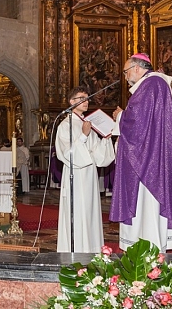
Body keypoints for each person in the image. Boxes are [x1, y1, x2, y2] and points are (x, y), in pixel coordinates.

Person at [110, 53, 172, 253]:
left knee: (147, 208)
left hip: (149, 163)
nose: (125, 76)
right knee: (146, 209)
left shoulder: (151, 85)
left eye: (126, 71)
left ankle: (149, 249)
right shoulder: (155, 85)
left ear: (137, 68)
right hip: (152, 155)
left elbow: (138, 123)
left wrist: (120, 115)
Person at [55, 86, 115, 253]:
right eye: (82, 98)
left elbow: (99, 157)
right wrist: (83, 135)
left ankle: (91, 250)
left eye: (87, 98)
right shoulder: (65, 125)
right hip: (75, 175)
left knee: (90, 213)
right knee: (78, 212)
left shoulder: (88, 124)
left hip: (89, 175)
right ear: (71, 102)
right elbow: (66, 154)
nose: (86, 102)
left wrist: (105, 139)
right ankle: (76, 251)